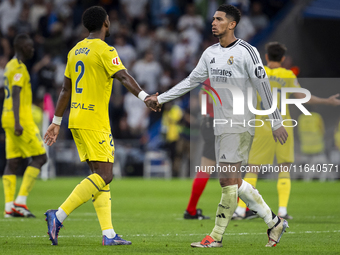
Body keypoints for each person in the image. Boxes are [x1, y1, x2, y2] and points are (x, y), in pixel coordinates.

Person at [146, 4, 289, 248]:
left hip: (241, 123)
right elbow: (191, 81)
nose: (213, 23)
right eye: (213, 19)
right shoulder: (210, 53)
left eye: (219, 19)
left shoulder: (248, 51)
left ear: (232, 24)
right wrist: (161, 99)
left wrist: (276, 121)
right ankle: (273, 221)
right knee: (232, 181)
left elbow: (263, 87)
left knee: (226, 180)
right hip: (220, 125)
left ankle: (216, 236)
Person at [43, 6, 156, 246]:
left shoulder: (75, 50)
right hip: (94, 121)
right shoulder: (106, 50)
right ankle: (58, 215)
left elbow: (65, 89)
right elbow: (124, 76)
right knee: (105, 175)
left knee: (99, 176)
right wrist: (145, 96)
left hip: (75, 119)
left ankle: (109, 234)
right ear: (106, 22)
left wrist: (56, 122)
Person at [233, 42, 340, 220]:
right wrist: (327, 101)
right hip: (284, 125)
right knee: (284, 168)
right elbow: (303, 98)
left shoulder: (259, 73)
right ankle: (282, 210)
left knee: (253, 169)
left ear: (266, 57)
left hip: (262, 126)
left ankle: (240, 210)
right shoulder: (288, 75)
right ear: (283, 59)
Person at [1, 34, 47, 218]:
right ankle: (20, 202)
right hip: (20, 120)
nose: (32, 49)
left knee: (12, 162)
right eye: (29, 46)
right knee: (41, 158)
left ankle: (9, 206)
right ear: (21, 48)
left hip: (6, 117)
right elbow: (16, 92)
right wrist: (18, 122)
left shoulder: (9, 66)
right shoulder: (19, 67)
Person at [183, 81, 214, 220]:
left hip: (209, 121)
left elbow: (202, 94)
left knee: (205, 167)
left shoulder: (210, 77)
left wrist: (205, 115)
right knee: (234, 166)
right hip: (224, 123)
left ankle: (191, 209)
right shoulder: (231, 75)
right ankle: (244, 208)